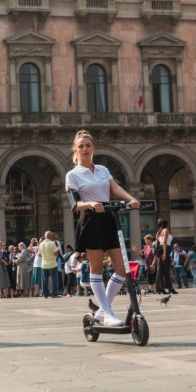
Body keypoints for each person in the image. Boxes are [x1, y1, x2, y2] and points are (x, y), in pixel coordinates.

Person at [65, 130, 140, 326]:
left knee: (122, 269)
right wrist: (90, 204)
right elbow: (74, 204)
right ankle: (107, 312)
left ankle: (102, 310)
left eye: (88, 145)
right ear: (75, 149)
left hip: (107, 217)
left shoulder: (102, 170)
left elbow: (115, 188)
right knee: (97, 268)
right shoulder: (72, 175)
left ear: (93, 148)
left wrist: (130, 199)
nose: (84, 149)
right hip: (90, 219)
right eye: (81, 146)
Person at [154, 218, 176, 295]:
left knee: (162, 270)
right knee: (164, 270)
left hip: (162, 250)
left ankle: (163, 287)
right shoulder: (165, 230)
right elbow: (164, 241)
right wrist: (164, 253)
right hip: (165, 249)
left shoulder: (158, 232)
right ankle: (163, 287)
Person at [39, 231, 60, 298]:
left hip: (44, 264)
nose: (53, 236)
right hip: (52, 264)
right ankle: (54, 293)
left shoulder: (41, 244)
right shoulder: (52, 243)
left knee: (44, 280)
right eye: (52, 235)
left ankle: (45, 294)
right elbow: (56, 253)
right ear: (49, 236)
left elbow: (39, 254)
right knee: (54, 279)